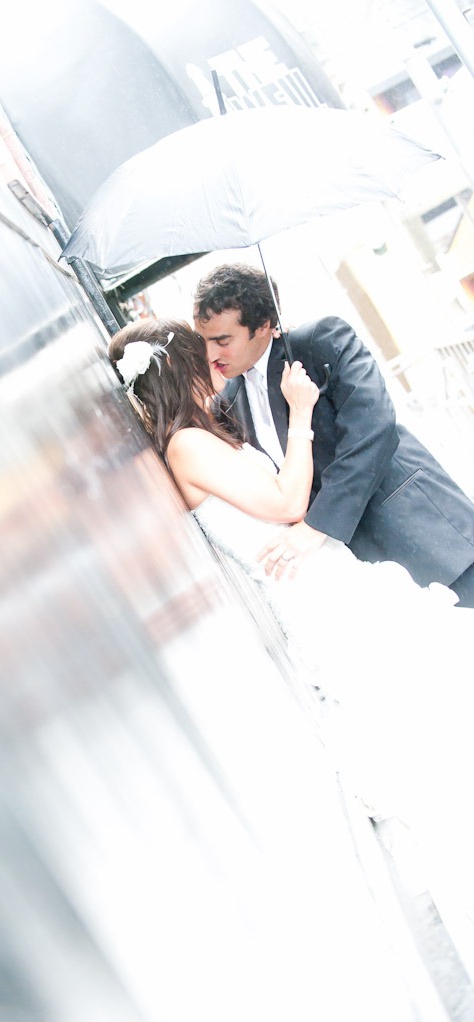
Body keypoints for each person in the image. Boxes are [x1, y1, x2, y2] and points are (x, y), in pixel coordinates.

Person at [108, 317, 474, 945]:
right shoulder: (187, 448)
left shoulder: (197, 435)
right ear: (184, 370)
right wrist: (300, 414)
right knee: (417, 710)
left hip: (325, 581)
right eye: (208, 356)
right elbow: (285, 505)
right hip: (317, 594)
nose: (219, 365)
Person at [193, 264, 474, 607]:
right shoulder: (227, 403)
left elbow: (374, 429)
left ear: (264, 325)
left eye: (223, 341)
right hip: (355, 568)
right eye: (204, 341)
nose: (211, 354)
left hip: (417, 529)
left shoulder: (319, 342)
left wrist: (316, 527)